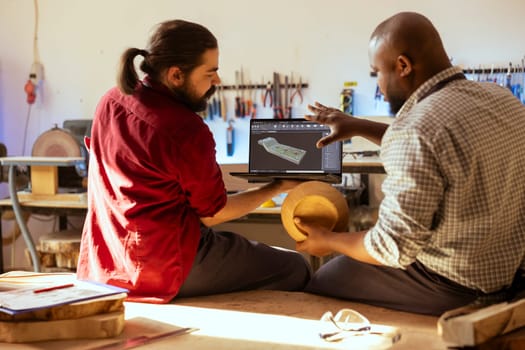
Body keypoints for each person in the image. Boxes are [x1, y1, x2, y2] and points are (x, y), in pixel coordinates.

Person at [296, 11, 525, 315]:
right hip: (508, 273)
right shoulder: (501, 98)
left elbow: (391, 246)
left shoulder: (417, 130)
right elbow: (441, 147)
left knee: (326, 278)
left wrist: (328, 240)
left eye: (376, 72)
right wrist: (360, 125)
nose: (378, 85)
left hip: (454, 286)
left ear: (402, 65)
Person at [76, 19, 311, 303]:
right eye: (210, 72)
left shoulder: (110, 100)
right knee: (296, 266)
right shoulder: (184, 129)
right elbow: (214, 214)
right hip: (162, 269)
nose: (217, 81)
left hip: (106, 264)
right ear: (176, 75)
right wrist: (276, 187)